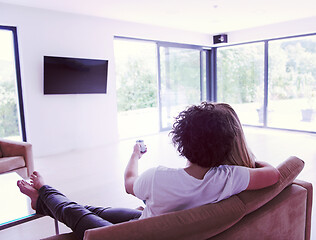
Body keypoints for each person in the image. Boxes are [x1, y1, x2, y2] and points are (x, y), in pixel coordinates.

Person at [18, 102, 280, 240]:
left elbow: (129, 182)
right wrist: (247, 159)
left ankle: (43, 191)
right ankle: (41, 203)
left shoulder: (158, 178)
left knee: (73, 212)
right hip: (148, 223)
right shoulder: (232, 178)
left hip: (135, 236)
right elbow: (274, 174)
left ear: (181, 142)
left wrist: (134, 155)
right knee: (95, 210)